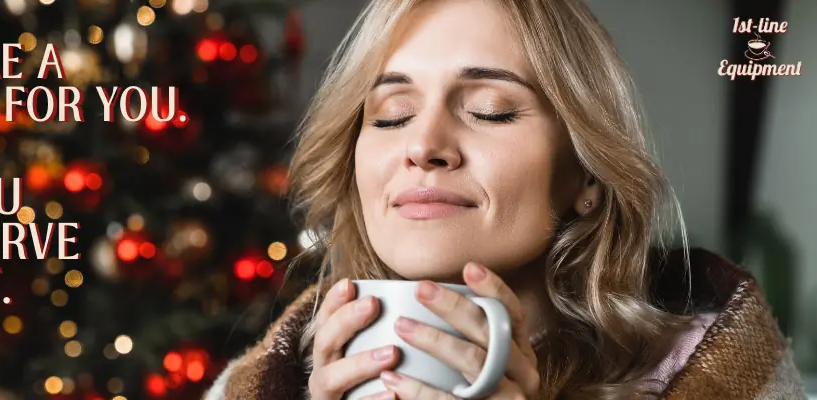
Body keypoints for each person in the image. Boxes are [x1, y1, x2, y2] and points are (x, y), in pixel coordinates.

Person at [204, 0, 807, 398]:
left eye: (489, 110)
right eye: (391, 115)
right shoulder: (262, 383)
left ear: (586, 175)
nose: (425, 145)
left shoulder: (724, 373)